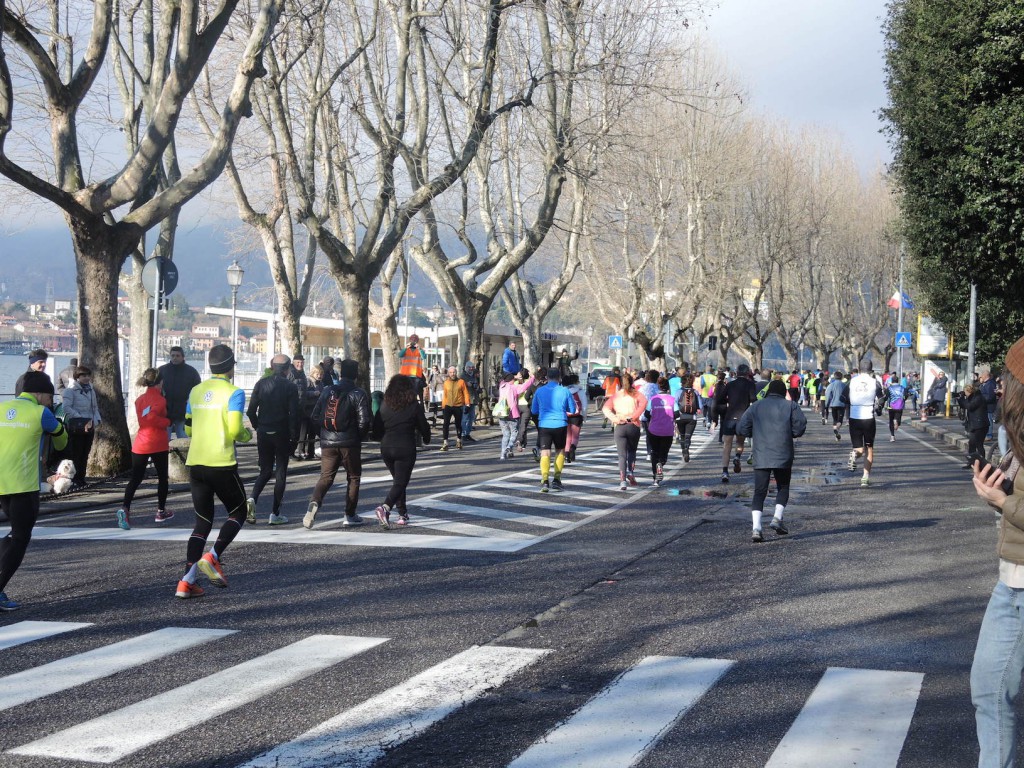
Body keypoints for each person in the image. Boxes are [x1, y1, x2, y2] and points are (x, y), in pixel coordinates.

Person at [969, 336, 1024, 767]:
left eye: (1007, 378)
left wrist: (1002, 501)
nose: (999, 386)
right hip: (1011, 582)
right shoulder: (1018, 438)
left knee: (991, 690)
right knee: (988, 690)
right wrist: (1000, 491)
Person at [175, 345, 252, 600]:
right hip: (221, 462)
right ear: (231, 366)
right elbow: (235, 430)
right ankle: (214, 556)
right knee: (239, 512)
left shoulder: (195, 391)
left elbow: (188, 429)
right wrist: (247, 435)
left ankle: (186, 582)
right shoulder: (234, 392)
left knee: (202, 522)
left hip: (196, 463)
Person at [0, 371, 68, 610]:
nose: (50, 401)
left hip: (1, 483)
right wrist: (58, 427)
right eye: (49, 397)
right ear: (39, 394)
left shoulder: (2, 408)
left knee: (14, 533)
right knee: (20, 538)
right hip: (23, 484)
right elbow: (62, 441)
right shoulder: (41, 413)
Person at [303, 359, 372, 529]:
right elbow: (364, 421)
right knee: (353, 477)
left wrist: (323, 435)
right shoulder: (359, 393)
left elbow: (315, 416)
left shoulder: (328, 390)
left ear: (341, 374)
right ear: (355, 375)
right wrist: (357, 437)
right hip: (350, 442)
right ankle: (350, 514)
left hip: (328, 442)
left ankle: (315, 501)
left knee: (326, 477)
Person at [737, 378, 807, 542]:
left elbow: (742, 428)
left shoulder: (755, 406)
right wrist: (790, 433)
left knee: (759, 491)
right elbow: (800, 427)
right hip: (783, 452)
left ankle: (756, 528)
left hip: (761, 453)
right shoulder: (791, 406)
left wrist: (754, 433)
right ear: (783, 392)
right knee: (783, 486)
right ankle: (777, 517)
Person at [247, 354, 301, 526]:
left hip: (264, 431)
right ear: (288, 368)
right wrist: (295, 437)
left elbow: (250, 411)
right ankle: (275, 513)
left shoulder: (260, 384)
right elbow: (294, 415)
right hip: (281, 432)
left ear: (272, 366)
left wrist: (258, 426)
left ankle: (252, 498)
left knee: (265, 471)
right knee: (281, 473)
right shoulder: (290, 386)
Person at [371, 375, 431, 528]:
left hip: (386, 447)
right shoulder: (413, 405)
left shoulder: (384, 405)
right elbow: (423, 426)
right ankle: (385, 508)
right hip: (405, 446)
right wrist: (426, 438)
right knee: (401, 482)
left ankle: (402, 513)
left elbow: (376, 429)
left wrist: (380, 437)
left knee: (398, 481)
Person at [117, 368, 172, 530]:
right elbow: (152, 418)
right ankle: (160, 511)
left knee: (135, 478)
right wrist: (167, 422)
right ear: (160, 382)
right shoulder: (160, 400)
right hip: (157, 442)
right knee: (162, 478)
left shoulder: (139, 399)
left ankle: (125, 508)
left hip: (141, 442)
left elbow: (144, 419)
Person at [530, 367, 577, 492]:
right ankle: (556, 479)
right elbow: (573, 410)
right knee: (560, 451)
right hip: (560, 423)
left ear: (547, 377)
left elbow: (534, 410)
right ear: (559, 378)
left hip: (544, 424)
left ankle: (545, 480)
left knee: (545, 452)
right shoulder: (565, 391)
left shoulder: (539, 391)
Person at [602, 371, 647, 491]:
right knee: (632, 451)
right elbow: (644, 403)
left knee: (621, 455)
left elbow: (605, 408)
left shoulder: (616, 395)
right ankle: (630, 472)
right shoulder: (636, 394)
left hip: (620, 426)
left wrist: (615, 419)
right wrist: (635, 416)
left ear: (621, 383)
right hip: (633, 425)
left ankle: (622, 481)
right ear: (632, 382)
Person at [62, 365, 102, 490]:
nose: (86, 378)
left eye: (88, 375)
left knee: (85, 453)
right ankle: (73, 479)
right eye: (83, 375)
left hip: (89, 426)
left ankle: (81, 478)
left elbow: (94, 407)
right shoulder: (70, 390)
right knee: (76, 453)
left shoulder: (91, 389)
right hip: (77, 426)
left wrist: (96, 420)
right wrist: (79, 417)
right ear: (77, 377)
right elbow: (66, 407)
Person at [716, 363, 756, 483]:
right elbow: (753, 399)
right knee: (740, 441)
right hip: (743, 418)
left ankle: (725, 472)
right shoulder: (750, 384)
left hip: (729, 417)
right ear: (747, 373)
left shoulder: (730, 384)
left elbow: (720, 399)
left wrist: (728, 402)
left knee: (727, 445)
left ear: (737, 372)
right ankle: (737, 457)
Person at [844, 363, 884, 487]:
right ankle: (865, 477)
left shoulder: (851, 381)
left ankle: (854, 455)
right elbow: (881, 398)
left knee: (859, 449)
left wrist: (852, 402)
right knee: (869, 448)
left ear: (859, 369)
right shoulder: (874, 382)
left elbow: (843, 397)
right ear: (871, 370)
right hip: (868, 418)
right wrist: (879, 408)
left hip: (854, 417)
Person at [158, 346, 202, 439]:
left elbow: (197, 390)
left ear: (183, 357)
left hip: (183, 411)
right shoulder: (162, 370)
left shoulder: (191, 372)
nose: (175, 358)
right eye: (173, 355)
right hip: (166, 411)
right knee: (164, 439)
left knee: (183, 438)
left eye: (177, 356)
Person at [497, 370, 535, 460]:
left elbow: (503, 379)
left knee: (505, 434)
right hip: (512, 414)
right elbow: (526, 385)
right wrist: (532, 377)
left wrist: (515, 377)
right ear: (512, 380)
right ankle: (509, 446)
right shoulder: (514, 388)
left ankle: (502, 454)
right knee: (514, 432)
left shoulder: (502, 386)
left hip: (501, 414)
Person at [646, 377, 676, 486]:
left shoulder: (653, 399)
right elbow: (677, 414)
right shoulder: (672, 399)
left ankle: (655, 476)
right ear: (668, 387)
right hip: (667, 430)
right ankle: (661, 463)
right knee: (664, 453)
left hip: (654, 430)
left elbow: (646, 414)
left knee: (654, 452)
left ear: (658, 387)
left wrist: (654, 416)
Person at [440, 366, 470, 451]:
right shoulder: (446, 382)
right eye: (451, 372)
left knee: (458, 424)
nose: (452, 374)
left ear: (456, 373)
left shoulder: (461, 382)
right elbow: (445, 395)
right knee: (446, 424)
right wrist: (443, 406)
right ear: (448, 373)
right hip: (448, 405)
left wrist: (467, 404)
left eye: (454, 372)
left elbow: (466, 393)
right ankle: (445, 443)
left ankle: (459, 441)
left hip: (458, 405)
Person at [675, 373, 701, 462]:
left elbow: (674, 404)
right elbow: (700, 406)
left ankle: (684, 451)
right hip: (692, 417)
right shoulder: (695, 392)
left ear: (682, 382)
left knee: (682, 435)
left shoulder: (679, 392)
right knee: (688, 436)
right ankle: (687, 447)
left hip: (680, 417)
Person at [963, 384, 990, 464]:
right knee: (972, 444)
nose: (965, 394)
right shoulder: (974, 398)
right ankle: (972, 462)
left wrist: (963, 400)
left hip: (980, 425)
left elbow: (970, 407)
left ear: (969, 391)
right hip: (975, 424)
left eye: (965, 392)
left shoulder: (978, 398)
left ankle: (982, 463)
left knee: (979, 444)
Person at [564, 373, 587, 463]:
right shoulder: (580, 391)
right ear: (576, 381)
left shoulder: (564, 391)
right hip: (577, 416)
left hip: (566, 416)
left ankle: (566, 454)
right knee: (575, 436)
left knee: (568, 436)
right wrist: (584, 416)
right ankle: (572, 448)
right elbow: (584, 405)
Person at [460, 361, 481, 441]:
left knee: (471, 418)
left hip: (473, 399)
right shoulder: (462, 376)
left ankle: (467, 433)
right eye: (469, 367)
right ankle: (462, 434)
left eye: (472, 367)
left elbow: (477, 386)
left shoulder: (474, 375)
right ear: (466, 367)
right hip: (465, 400)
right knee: (465, 417)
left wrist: (477, 387)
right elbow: (459, 386)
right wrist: (466, 383)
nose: (471, 369)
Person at [885, 374, 908, 442]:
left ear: (892, 381)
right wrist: (903, 400)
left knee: (891, 421)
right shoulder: (902, 388)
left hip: (891, 405)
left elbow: (886, 396)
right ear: (898, 381)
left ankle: (892, 436)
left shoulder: (889, 388)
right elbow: (906, 395)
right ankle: (896, 421)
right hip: (899, 405)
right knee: (898, 418)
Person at [824, 370, 847, 440]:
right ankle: (837, 430)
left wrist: (826, 404)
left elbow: (827, 395)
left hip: (833, 404)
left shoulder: (831, 385)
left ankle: (836, 433)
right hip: (842, 404)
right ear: (842, 377)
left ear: (834, 377)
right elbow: (847, 395)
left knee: (835, 419)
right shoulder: (844, 385)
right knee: (840, 420)